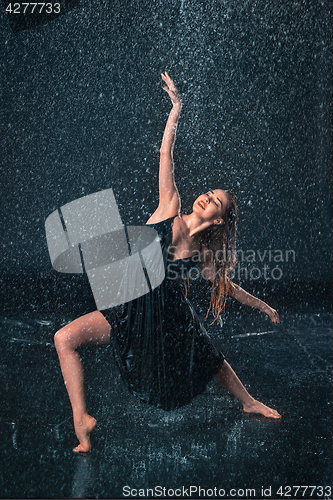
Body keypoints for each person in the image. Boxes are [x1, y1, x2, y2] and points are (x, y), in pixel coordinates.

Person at [54, 72, 281, 453]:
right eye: (208, 192)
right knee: (64, 338)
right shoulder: (169, 207)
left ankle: (249, 401)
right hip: (128, 307)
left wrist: (263, 305)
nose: (206, 197)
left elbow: (228, 288)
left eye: (215, 201)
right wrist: (176, 110)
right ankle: (82, 420)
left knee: (208, 356)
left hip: (164, 317)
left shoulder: (205, 255)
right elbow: (166, 155)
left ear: (220, 219)